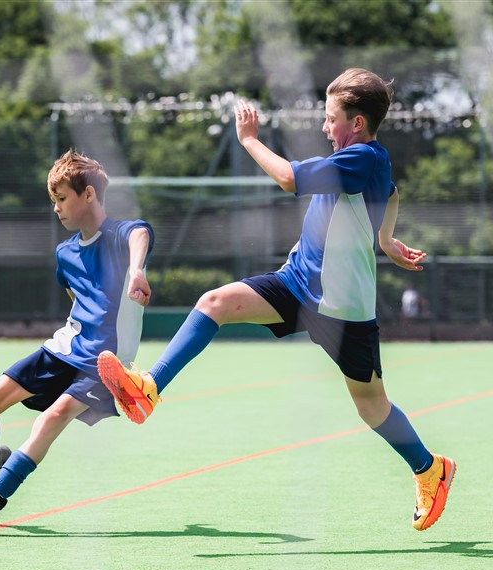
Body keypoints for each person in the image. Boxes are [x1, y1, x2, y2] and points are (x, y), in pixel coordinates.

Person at [98, 68, 455, 532]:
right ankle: (149, 387)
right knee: (214, 303)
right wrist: (386, 240)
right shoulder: (368, 159)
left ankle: (431, 469)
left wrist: (249, 139)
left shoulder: (362, 157)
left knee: (372, 407)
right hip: (295, 281)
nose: (326, 128)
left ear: (358, 124)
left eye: (331, 119)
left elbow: (288, 179)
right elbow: (392, 194)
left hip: (342, 310)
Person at [0, 149, 153, 538]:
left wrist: (137, 272)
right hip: (64, 348)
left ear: (89, 195)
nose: (57, 208)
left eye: (62, 199)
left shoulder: (120, 235)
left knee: (51, 419)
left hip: (105, 362)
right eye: (54, 201)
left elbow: (141, 234)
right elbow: (77, 300)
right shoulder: (64, 253)